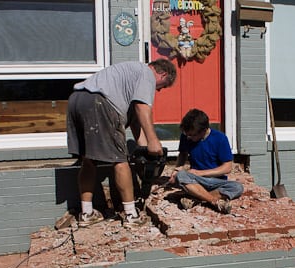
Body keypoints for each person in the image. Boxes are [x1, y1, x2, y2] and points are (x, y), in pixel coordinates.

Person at [67, 59, 177, 227]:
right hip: (100, 103)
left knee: (88, 160)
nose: (159, 90)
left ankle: (87, 213)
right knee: (120, 160)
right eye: (161, 86)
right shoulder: (146, 73)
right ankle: (131, 215)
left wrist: (144, 149)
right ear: (163, 74)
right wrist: (154, 141)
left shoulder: (127, 77)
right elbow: (142, 107)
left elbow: (135, 122)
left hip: (77, 100)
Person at [169, 108, 244, 214]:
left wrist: (200, 173)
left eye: (192, 135)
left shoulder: (220, 138)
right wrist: (177, 169)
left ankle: (195, 197)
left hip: (215, 181)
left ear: (204, 130)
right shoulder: (186, 136)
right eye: (187, 135)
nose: (189, 138)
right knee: (181, 175)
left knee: (237, 187)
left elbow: (227, 167)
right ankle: (214, 201)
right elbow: (183, 154)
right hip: (196, 180)